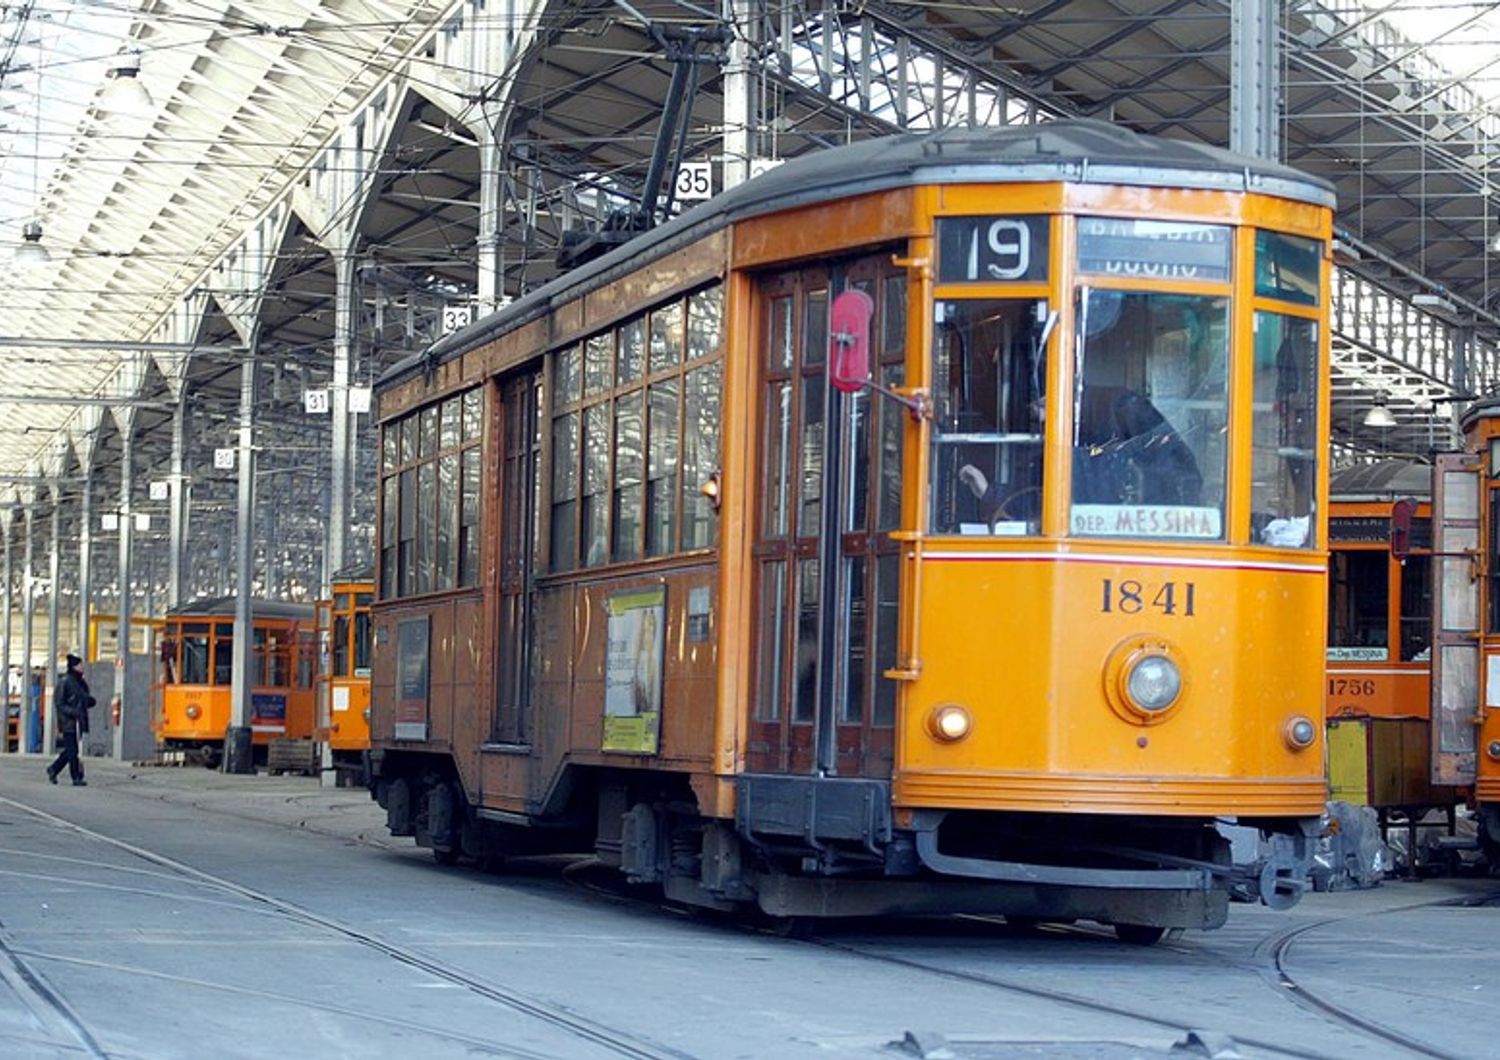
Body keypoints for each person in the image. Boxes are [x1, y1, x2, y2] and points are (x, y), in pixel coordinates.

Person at [46, 654, 95, 787]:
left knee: (70, 750)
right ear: (74, 666)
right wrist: (73, 713)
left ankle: (53, 769)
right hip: (69, 722)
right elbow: (60, 703)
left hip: (79, 721)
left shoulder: (81, 682)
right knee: (72, 751)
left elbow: (82, 698)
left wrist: (89, 701)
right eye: (79, 665)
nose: (82, 667)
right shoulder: (65, 682)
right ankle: (76, 777)